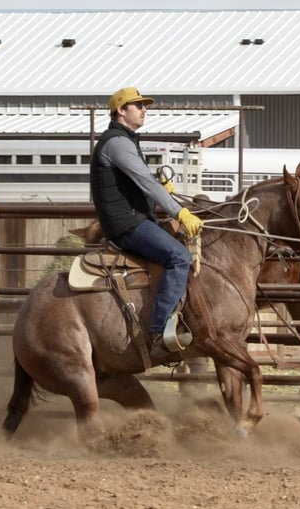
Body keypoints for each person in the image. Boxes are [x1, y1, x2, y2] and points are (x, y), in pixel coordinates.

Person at [90, 87, 203, 361]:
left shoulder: (125, 141)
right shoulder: (117, 143)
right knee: (179, 257)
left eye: (144, 106)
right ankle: (158, 333)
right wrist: (179, 213)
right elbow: (145, 183)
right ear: (121, 110)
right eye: (137, 105)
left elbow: (137, 182)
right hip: (127, 225)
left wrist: (160, 187)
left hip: (133, 219)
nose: (144, 110)